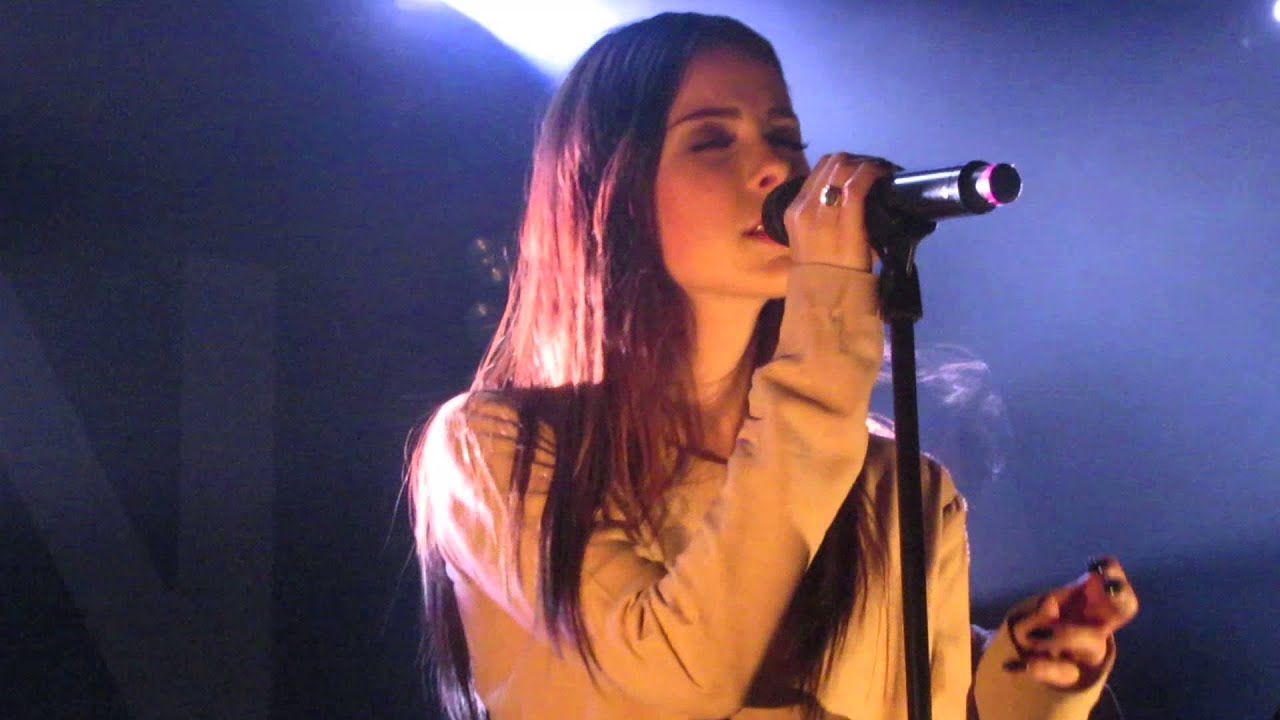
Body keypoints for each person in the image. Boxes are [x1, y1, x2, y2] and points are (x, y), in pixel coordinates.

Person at [408, 12, 1138, 720]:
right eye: (712, 141)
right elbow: (679, 673)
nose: (776, 169)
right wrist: (831, 311)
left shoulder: (899, 488)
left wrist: (1033, 681)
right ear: (611, 188)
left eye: (786, 138)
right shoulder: (499, 451)